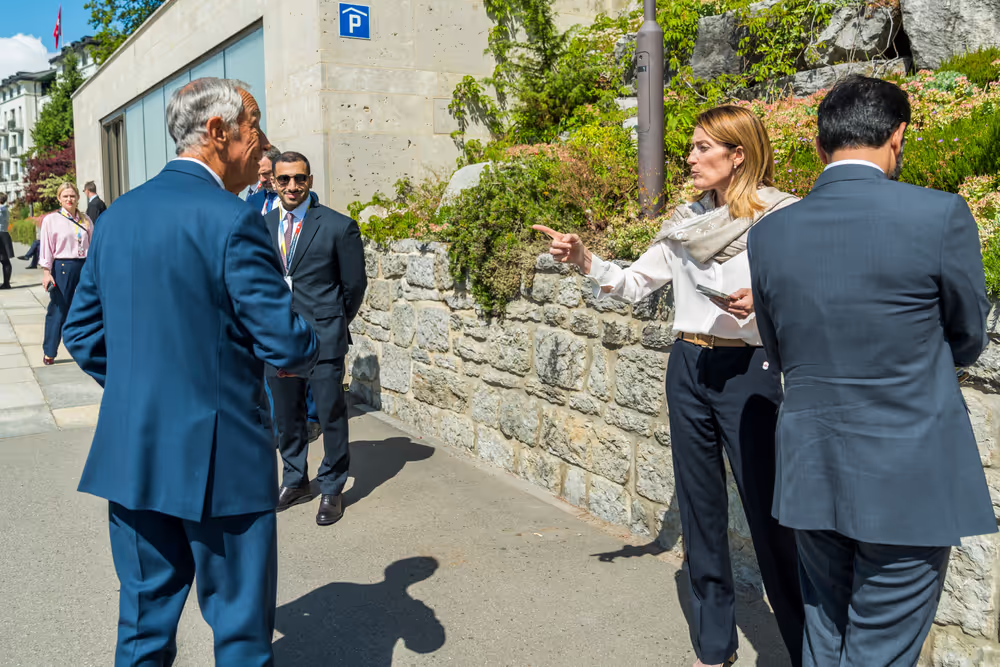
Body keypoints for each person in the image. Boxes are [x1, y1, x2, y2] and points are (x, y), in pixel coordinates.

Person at [62, 77, 319, 666]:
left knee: (143, 631)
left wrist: (140, 387)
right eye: (255, 124)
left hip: (133, 452)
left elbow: (80, 332)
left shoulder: (118, 216)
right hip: (223, 459)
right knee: (240, 636)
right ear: (217, 131)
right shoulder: (233, 221)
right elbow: (286, 343)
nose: (265, 144)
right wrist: (315, 334)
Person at [535, 105, 803, 667]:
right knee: (701, 509)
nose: (690, 157)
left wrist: (763, 304)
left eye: (704, 147)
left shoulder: (783, 218)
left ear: (739, 154)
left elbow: (810, 295)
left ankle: (807, 644)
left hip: (750, 373)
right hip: (688, 365)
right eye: (691, 146)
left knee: (769, 511)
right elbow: (633, 283)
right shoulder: (684, 221)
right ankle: (714, 643)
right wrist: (585, 260)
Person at [748, 75, 995, 667]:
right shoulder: (938, 214)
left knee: (825, 630)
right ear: (898, 136)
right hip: (906, 468)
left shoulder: (770, 232)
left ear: (819, 144)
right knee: (882, 638)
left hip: (810, 461)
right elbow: (968, 333)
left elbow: (778, 348)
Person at [265, 150, 367, 526]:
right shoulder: (261, 226)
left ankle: (332, 487)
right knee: (287, 416)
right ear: (273, 182)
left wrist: (332, 320)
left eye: (300, 178)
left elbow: (354, 285)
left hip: (323, 336)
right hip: (278, 338)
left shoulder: (339, 226)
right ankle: (294, 480)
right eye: (285, 179)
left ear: (310, 180)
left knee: (330, 413)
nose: (293, 186)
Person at [39, 183, 93, 365]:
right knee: (59, 310)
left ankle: (85, 349)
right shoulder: (51, 220)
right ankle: (50, 351)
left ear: (78, 198)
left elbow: (92, 246)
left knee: (87, 308)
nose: (69, 199)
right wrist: (47, 272)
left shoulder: (86, 220)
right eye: (65, 196)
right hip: (63, 267)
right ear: (59, 199)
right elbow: (46, 248)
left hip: (84, 266)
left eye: (72, 196)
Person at [247, 147, 281, 215]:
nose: (262, 179)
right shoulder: (252, 201)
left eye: (266, 173)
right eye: (258, 175)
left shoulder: (297, 198)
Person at [0, 193, 12, 289]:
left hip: (1, 234)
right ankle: (6, 283)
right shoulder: (5, 209)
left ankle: (6, 283)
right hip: (4, 234)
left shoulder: (2, 209)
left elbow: (1, 208)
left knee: (5, 261)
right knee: (5, 261)